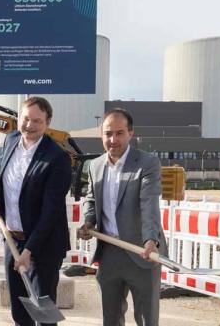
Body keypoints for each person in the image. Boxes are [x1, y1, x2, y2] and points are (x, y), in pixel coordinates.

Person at [77, 108, 165, 326]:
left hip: (142, 253)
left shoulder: (147, 163)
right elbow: (91, 199)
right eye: (108, 133)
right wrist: (89, 221)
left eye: (119, 133)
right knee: (111, 319)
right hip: (109, 254)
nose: (113, 140)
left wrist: (150, 239)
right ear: (101, 134)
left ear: (130, 134)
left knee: (146, 319)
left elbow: (149, 203)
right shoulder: (95, 165)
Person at [0, 97, 71, 326]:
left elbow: (51, 211)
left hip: (43, 245)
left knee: (43, 314)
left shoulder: (57, 157)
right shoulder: (11, 139)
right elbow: (1, 172)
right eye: (26, 119)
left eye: (37, 121)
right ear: (19, 118)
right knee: (19, 310)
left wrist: (30, 249)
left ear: (47, 122)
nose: (29, 125)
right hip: (12, 239)